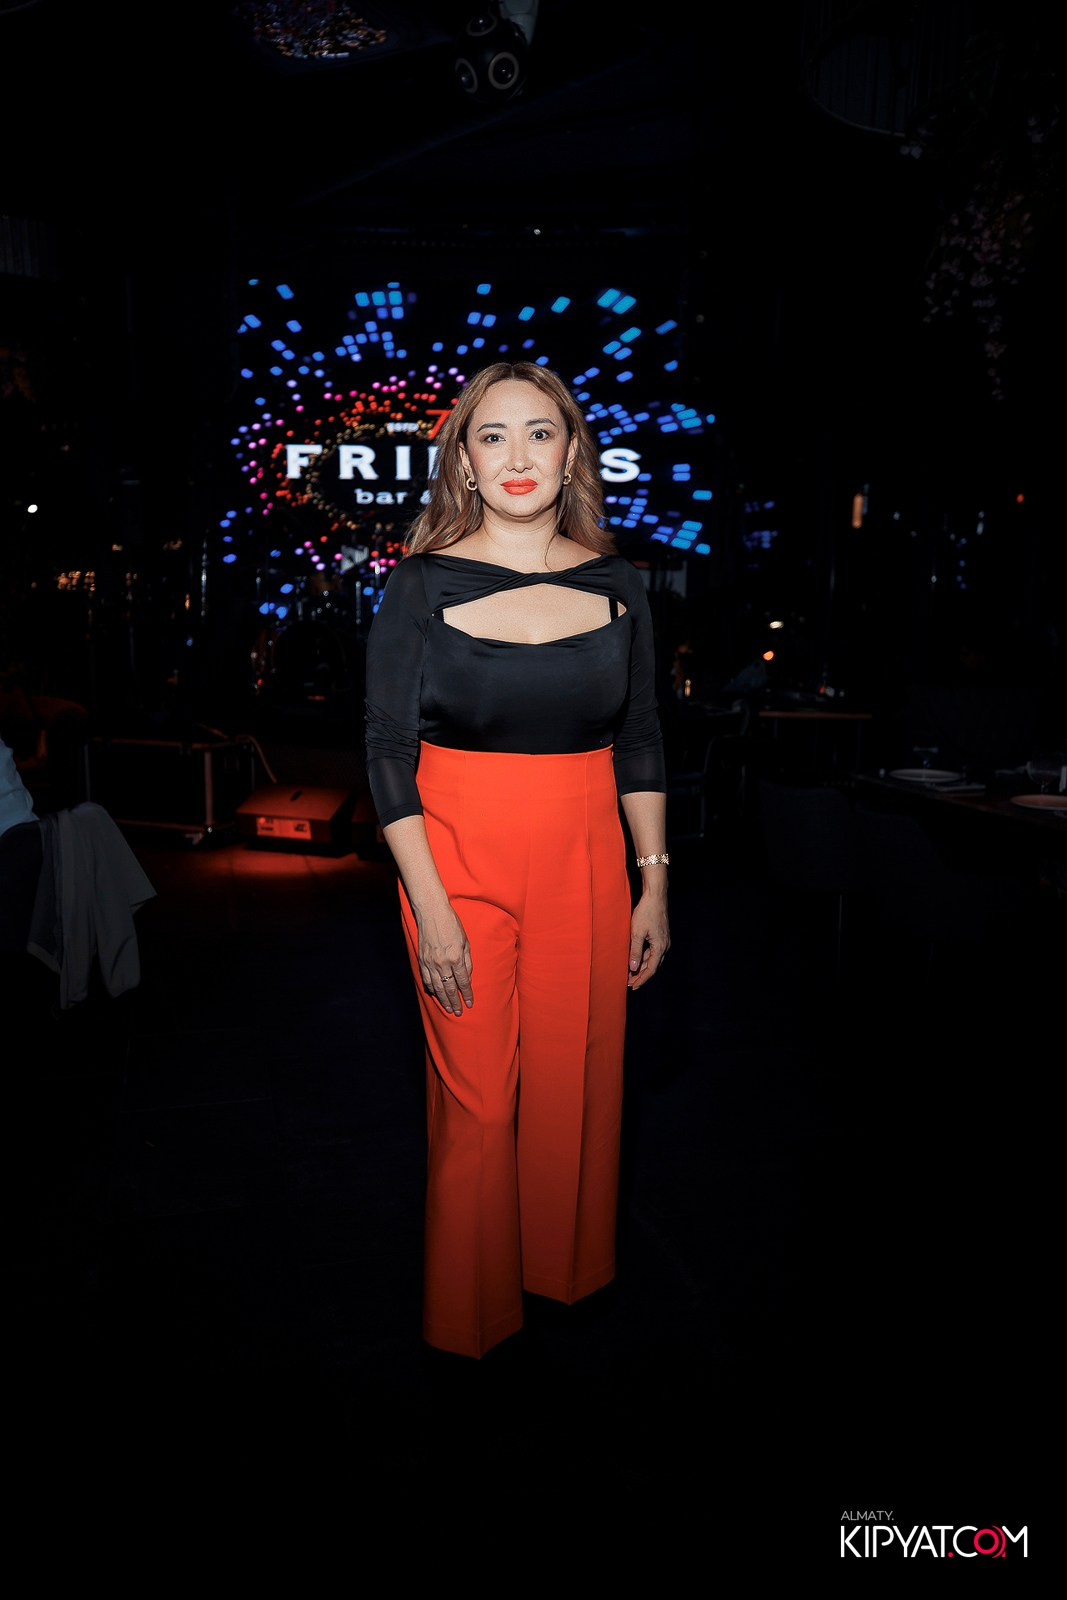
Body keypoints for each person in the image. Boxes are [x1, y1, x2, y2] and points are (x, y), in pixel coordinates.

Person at [363, 360, 670, 1361]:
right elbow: (385, 753)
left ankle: (558, 1278)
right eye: (490, 436)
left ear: (572, 450)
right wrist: (430, 908)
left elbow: (639, 742)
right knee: (480, 1103)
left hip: (585, 858)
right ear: (462, 460)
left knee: (576, 1080)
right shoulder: (419, 583)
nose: (516, 456)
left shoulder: (618, 585)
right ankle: (467, 1316)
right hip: (452, 861)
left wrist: (653, 881)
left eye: (539, 432)